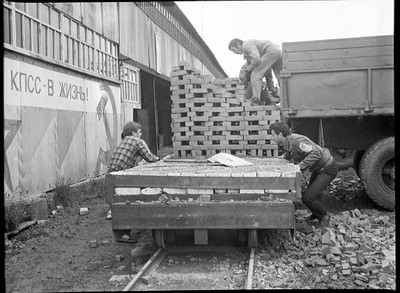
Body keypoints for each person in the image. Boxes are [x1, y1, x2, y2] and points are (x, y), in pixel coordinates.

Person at [269, 121, 338, 229]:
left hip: (327, 168)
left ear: (280, 135)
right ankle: (316, 214)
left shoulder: (297, 141)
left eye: (273, 135)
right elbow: (290, 151)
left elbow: (317, 153)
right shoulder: (288, 142)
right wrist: (284, 157)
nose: (272, 138)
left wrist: (299, 166)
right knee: (310, 194)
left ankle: (325, 216)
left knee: (308, 197)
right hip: (319, 169)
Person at [106, 121, 161, 233]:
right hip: (121, 176)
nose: (141, 134)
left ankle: (112, 212)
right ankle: (126, 226)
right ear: (134, 132)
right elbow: (149, 157)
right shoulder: (137, 141)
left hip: (110, 175)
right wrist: (161, 160)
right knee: (132, 196)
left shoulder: (123, 141)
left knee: (117, 199)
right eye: (139, 132)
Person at [229, 38, 282, 106]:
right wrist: (272, 89)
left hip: (270, 52)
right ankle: (284, 98)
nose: (234, 53)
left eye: (234, 50)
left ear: (238, 44)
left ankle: (255, 100)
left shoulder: (246, 45)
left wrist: (248, 70)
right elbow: (267, 72)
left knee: (255, 75)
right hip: (278, 52)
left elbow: (257, 59)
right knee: (281, 78)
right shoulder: (248, 52)